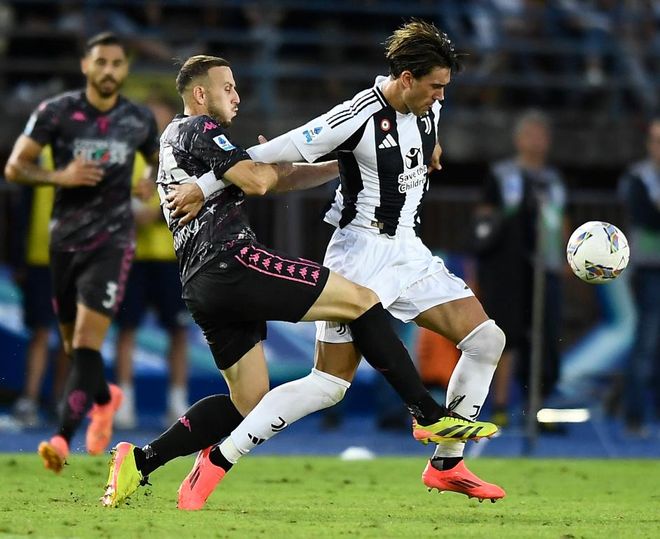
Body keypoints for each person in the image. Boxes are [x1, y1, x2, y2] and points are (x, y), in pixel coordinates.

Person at [100, 53, 498, 508]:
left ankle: (140, 461)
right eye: (228, 87)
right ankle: (426, 413)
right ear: (200, 94)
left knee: (248, 401)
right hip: (234, 262)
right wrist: (256, 169)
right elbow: (256, 179)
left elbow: (273, 178)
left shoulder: (180, 141)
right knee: (361, 301)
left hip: (200, 283)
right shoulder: (197, 128)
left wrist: (343, 160)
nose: (237, 96)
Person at [4, 32, 160, 472]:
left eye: (117, 63)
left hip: (113, 242)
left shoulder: (139, 119)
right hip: (64, 243)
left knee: (88, 342)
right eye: (101, 62)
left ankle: (61, 437)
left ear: (125, 69)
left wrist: (149, 179)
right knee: (76, 349)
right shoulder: (55, 113)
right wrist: (61, 176)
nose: (109, 70)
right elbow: (15, 167)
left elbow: (158, 159)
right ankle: (105, 398)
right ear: (85, 66)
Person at [473, 110, 567, 428]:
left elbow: (562, 219)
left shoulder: (553, 180)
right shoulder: (502, 175)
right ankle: (500, 404)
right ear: (518, 139)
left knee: (544, 338)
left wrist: (566, 257)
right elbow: (484, 219)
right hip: (508, 269)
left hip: (547, 267)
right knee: (507, 335)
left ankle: (537, 408)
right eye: (530, 134)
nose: (536, 141)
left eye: (542, 135)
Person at [114, 97, 190, 429]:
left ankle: (177, 403)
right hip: (130, 258)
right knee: (126, 329)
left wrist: (157, 213)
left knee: (178, 331)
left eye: (160, 122)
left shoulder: (183, 159)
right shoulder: (124, 160)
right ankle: (124, 404)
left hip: (171, 258)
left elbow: (194, 201)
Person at [10, 175, 67, 427]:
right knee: (41, 330)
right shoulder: (37, 158)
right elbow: (21, 210)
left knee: (69, 334)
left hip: (77, 261)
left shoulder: (92, 157)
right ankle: (30, 400)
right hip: (39, 259)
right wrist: (18, 258)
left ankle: (60, 400)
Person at [618, 117, 660, 436]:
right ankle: (633, 416)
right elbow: (645, 217)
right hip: (648, 270)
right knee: (645, 342)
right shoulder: (638, 177)